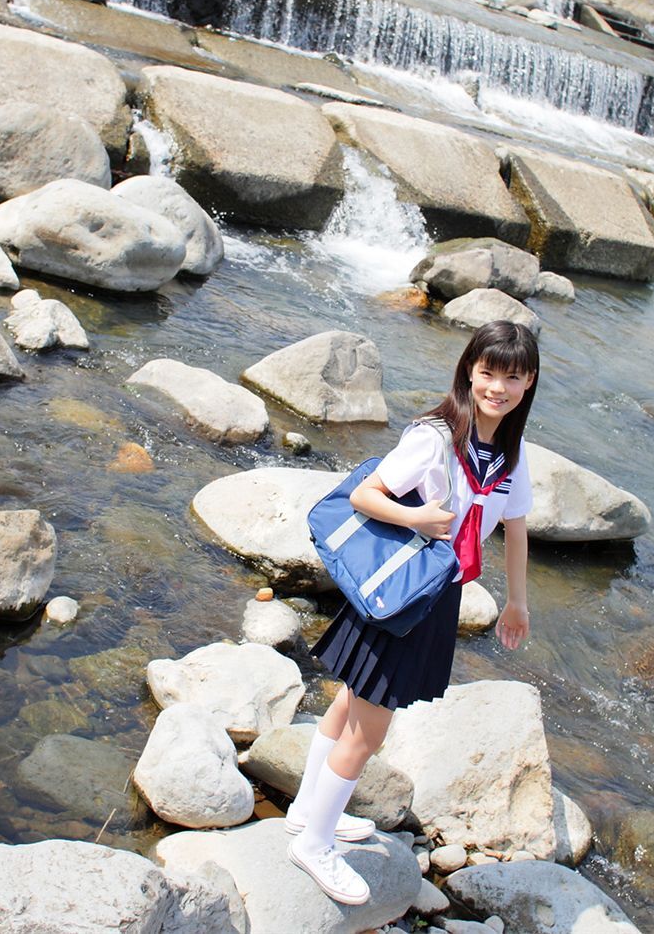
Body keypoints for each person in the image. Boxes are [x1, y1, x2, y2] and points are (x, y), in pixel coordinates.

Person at [285, 319, 539, 905]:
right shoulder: (435, 436)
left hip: (436, 592)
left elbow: (518, 527)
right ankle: (316, 843)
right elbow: (363, 494)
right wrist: (417, 519)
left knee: (351, 701)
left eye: (512, 377)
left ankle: (306, 811)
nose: (497, 387)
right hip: (403, 586)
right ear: (469, 372)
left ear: (528, 385)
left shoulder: (511, 453)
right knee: (371, 724)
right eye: (487, 373)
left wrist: (517, 601)